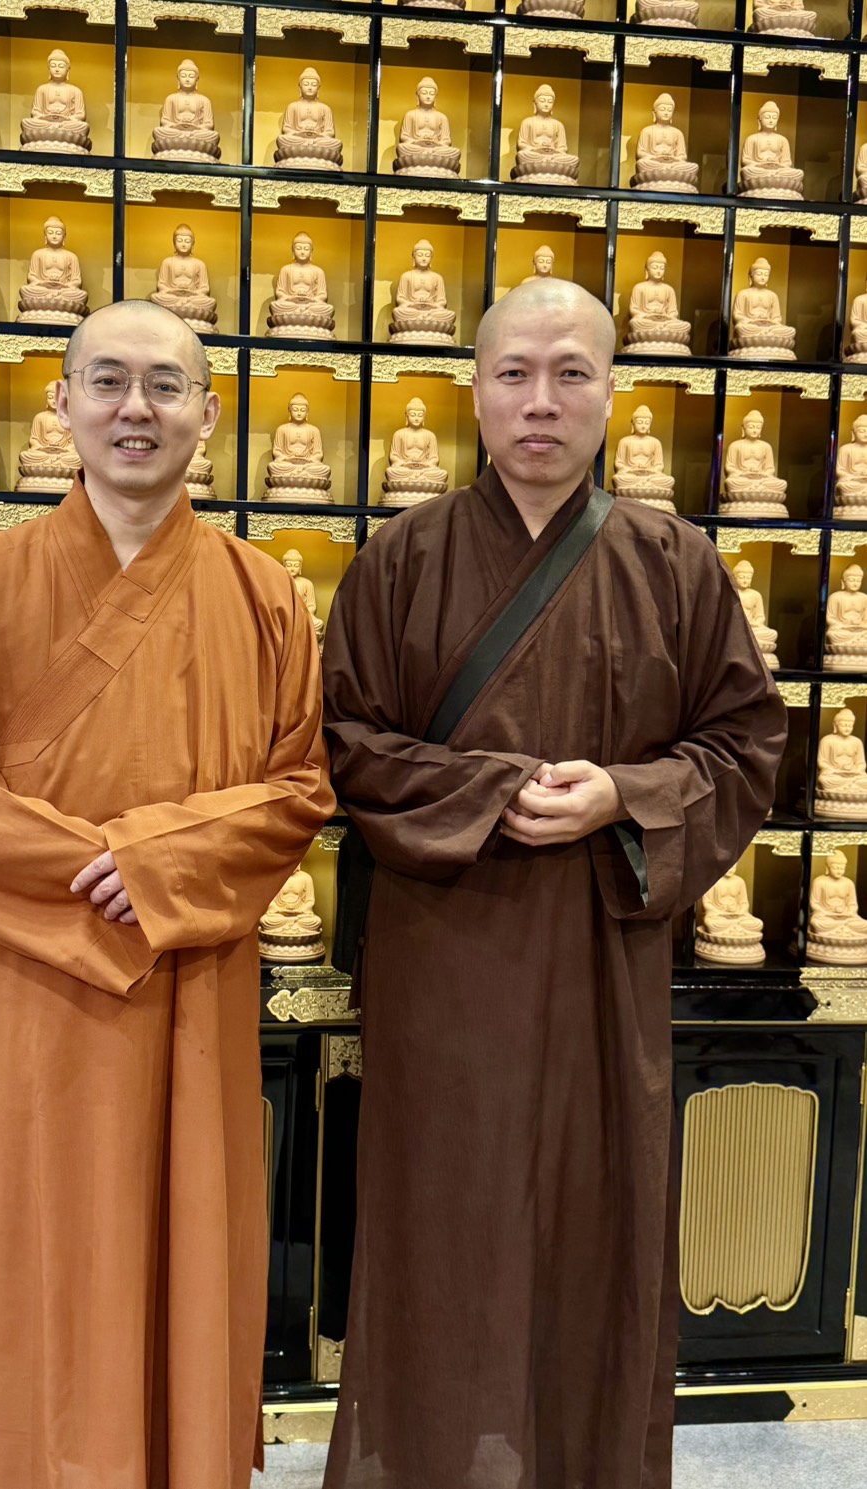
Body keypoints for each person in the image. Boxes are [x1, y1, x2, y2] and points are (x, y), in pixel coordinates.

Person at [320, 278, 787, 1489]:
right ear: (473, 390)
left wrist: (620, 795)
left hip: (597, 948)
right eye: (514, 373)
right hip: (444, 947)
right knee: (441, 1221)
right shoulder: (400, 558)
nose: (540, 400)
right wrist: (488, 793)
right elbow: (345, 745)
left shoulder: (674, 562)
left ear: (610, 393)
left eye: (569, 373)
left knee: (593, 1217)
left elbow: (745, 744)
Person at [0, 299, 334, 1489]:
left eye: (166, 386)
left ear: (208, 414)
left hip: (192, 982)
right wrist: (89, 879)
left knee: (186, 1263)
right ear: (63, 404)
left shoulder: (263, 595)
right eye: (110, 381)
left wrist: (156, 864)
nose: (138, 409)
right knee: (32, 1264)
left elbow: (298, 789)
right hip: (31, 990)